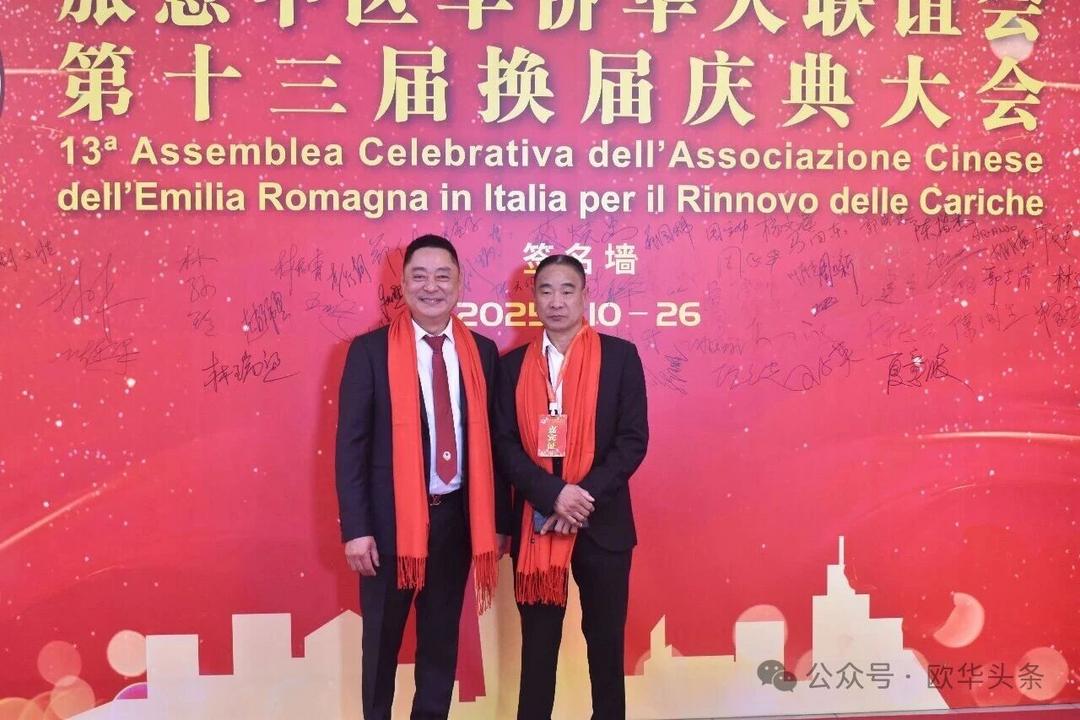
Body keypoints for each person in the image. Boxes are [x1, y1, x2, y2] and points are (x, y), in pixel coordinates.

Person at [335, 234, 511, 720]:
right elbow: (351, 447)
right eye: (420, 276)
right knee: (381, 646)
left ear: (459, 283)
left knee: (440, 642)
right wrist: (356, 529)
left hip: (455, 522)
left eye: (442, 276)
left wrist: (497, 522)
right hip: (388, 527)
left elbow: (496, 446)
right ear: (403, 283)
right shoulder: (369, 352)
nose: (431, 287)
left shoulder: (482, 353)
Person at [494, 254, 649, 720]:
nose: (556, 301)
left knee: (606, 649)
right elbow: (503, 445)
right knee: (537, 652)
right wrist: (552, 495)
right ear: (533, 299)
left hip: (603, 525)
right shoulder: (511, 367)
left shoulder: (620, 357)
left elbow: (632, 440)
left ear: (585, 295)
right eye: (546, 290)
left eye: (567, 290)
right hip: (537, 524)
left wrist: (579, 498)